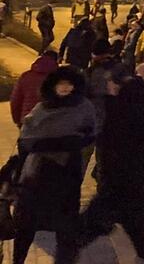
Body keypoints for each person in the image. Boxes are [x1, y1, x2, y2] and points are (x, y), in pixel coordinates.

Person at [63, 71, 144, 264]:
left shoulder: (122, 113)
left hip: (118, 191)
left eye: (112, 85)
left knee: (74, 238)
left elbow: (106, 133)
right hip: (141, 191)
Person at [12, 66, 97, 264]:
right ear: (53, 85)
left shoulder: (83, 107)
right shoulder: (42, 108)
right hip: (37, 175)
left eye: (70, 84)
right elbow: (25, 139)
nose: (66, 88)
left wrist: (71, 142)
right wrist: (50, 143)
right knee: (27, 224)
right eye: (62, 84)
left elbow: (90, 134)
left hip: (66, 174)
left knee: (66, 225)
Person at [10, 52, 58, 127]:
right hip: (52, 120)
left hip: (28, 119)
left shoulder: (26, 76)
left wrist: (17, 119)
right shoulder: (59, 78)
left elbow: (15, 100)